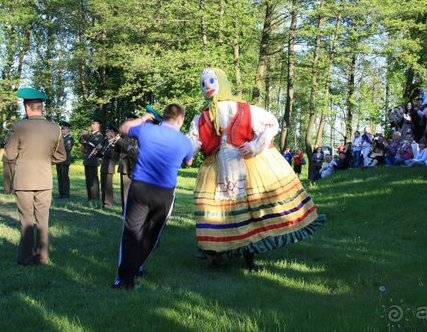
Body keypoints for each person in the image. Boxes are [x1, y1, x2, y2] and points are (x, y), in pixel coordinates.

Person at [188, 68, 324, 272]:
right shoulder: (202, 118)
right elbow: (192, 140)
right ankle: (217, 253)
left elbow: (270, 125)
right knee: (217, 212)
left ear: (221, 82)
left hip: (245, 165)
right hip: (216, 169)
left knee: (248, 212)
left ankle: (247, 257)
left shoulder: (243, 109)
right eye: (203, 83)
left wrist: (254, 146)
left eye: (211, 81)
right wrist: (186, 152)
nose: (207, 86)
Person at [113, 104, 193, 289]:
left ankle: (125, 279)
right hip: (164, 193)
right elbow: (188, 162)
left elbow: (123, 128)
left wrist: (143, 118)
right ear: (180, 119)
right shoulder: (184, 141)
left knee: (132, 232)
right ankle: (136, 267)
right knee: (151, 234)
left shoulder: (147, 130)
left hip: (140, 187)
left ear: (163, 116)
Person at [4, 87, 66, 265]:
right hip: (44, 180)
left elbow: (9, 155)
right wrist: (46, 161)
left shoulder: (18, 127)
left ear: (26, 107)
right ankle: (43, 256)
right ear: (41, 108)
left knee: (26, 220)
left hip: (24, 180)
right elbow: (61, 156)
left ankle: (25, 257)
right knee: (43, 219)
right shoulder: (55, 128)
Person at [114, 113, 139, 212]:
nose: (127, 122)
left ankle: (128, 210)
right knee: (124, 189)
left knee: (128, 188)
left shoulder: (135, 134)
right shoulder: (125, 134)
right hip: (124, 164)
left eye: (129, 120)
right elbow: (120, 149)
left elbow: (130, 149)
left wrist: (119, 141)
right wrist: (116, 143)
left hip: (130, 165)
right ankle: (124, 208)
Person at [80, 117, 104, 200]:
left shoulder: (99, 135)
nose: (91, 125)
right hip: (87, 159)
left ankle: (95, 197)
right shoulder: (91, 135)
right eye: (91, 124)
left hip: (94, 159)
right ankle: (89, 196)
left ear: (98, 125)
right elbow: (84, 143)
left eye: (93, 124)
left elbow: (92, 145)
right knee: (88, 179)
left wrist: (86, 136)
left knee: (93, 179)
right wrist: (83, 137)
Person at [97, 124, 119, 209]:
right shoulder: (107, 142)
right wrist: (98, 153)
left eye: (107, 131)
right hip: (104, 165)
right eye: (106, 131)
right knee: (103, 185)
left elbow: (113, 154)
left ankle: (108, 203)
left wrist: (103, 152)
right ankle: (103, 202)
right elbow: (103, 154)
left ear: (112, 132)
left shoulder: (115, 142)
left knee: (108, 186)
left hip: (110, 166)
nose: (106, 133)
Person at [56, 121, 74, 199]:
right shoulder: (60, 138)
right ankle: (61, 193)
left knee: (64, 178)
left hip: (65, 160)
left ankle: (66, 194)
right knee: (60, 177)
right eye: (61, 129)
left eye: (63, 129)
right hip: (59, 160)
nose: (61, 130)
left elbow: (68, 148)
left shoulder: (69, 138)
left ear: (67, 129)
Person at [1, 126, 15, 194]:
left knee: (13, 175)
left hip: (14, 158)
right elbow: (3, 143)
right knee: (7, 175)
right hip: (6, 157)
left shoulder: (18, 135)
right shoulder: (7, 135)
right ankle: (7, 190)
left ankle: (11, 190)